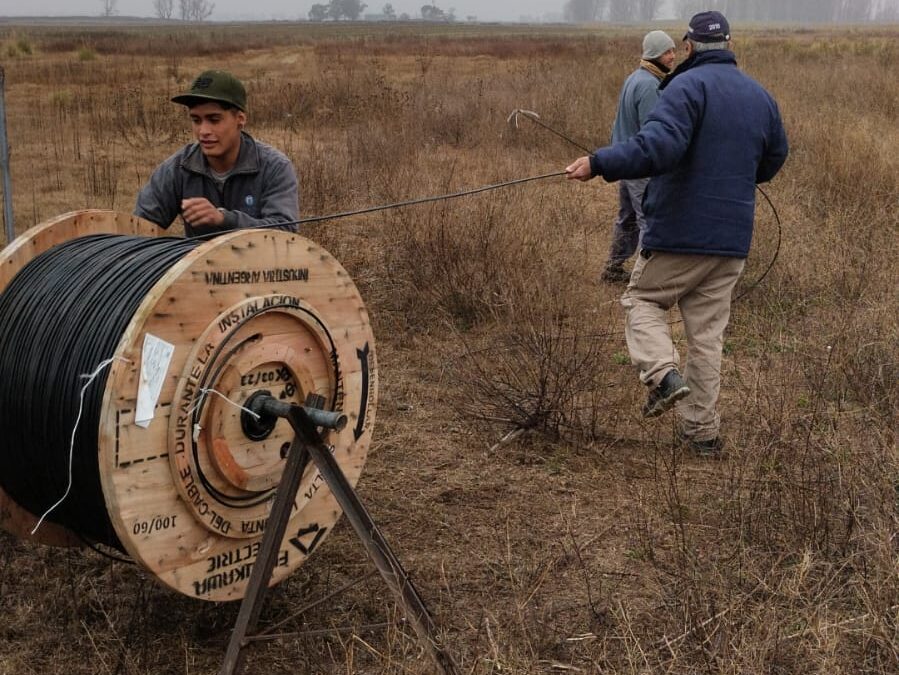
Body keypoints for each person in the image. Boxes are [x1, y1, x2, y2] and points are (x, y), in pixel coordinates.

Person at [566, 11, 788, 456]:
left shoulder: (684, 86)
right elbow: (773, 159)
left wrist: (599, 162)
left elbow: (658, 147)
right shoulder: (760, 96)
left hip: (680, 234)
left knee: (643, 301)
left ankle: (663, 376)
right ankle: (702, 435)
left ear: (688, 47)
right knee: (706, 338)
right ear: (728, 45)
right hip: (731, 242)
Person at [135, 69, 299, 237]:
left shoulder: (274, 167)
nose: (203, 131)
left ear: (240, 120)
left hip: (260, 263)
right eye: (196, 120)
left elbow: (285, 233)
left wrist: (224, 219)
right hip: (197, 262)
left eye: (214, 120)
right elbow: (140, 227)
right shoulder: (178, 168)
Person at [601, 30, 676, 284]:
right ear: (654, 53)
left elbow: (617, 124)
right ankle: (645, 278)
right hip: (639, 165)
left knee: (628, 217)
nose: (672, 56)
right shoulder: (650, 86)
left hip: (624, 161)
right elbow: (651, 133)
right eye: (667, 52)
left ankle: (613, 268)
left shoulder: (635, 77)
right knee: (648, 219)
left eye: (673, 50)